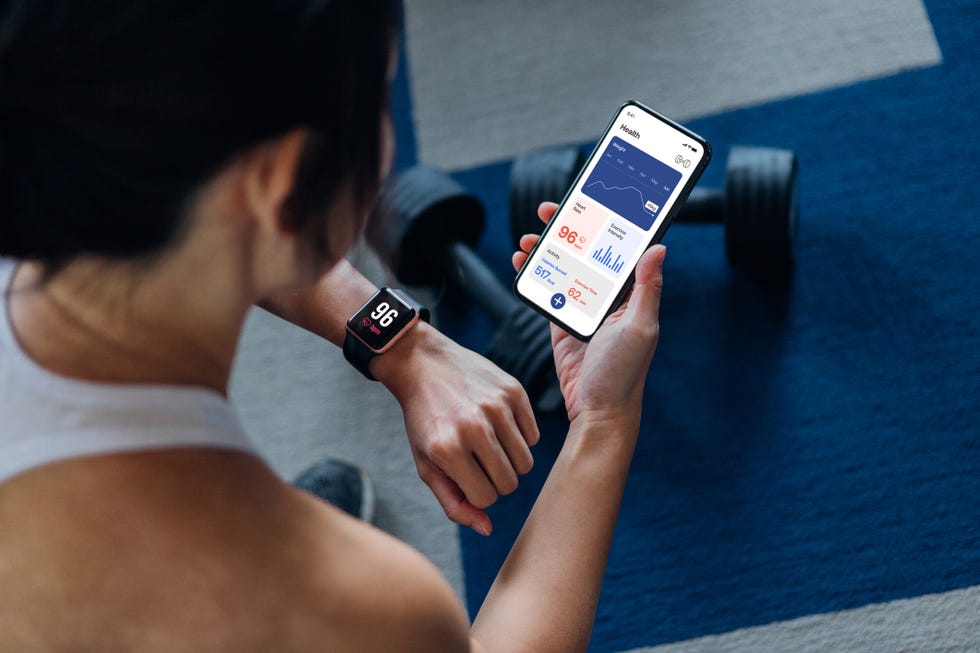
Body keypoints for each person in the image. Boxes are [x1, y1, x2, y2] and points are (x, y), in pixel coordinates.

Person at [0, 1, 667, 651]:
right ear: (285, 182)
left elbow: (217, 222)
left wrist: (405, 346)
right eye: (379, 99)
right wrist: (605, 419)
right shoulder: (366, 601)